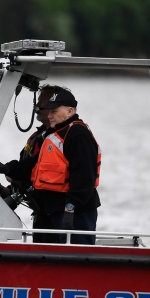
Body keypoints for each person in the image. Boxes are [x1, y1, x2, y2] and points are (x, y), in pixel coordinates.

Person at [27, 85, 101, 244]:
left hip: (74, 212)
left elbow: (84, 177)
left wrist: (70, 208)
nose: (50, 116)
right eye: (49, 112)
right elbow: (36, 166)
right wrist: (7, 169)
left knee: (76, 258)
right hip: (50, 210)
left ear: (69, 111)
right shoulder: (52, 134)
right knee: (44, 260)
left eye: (54, 112)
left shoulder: (78, 134)